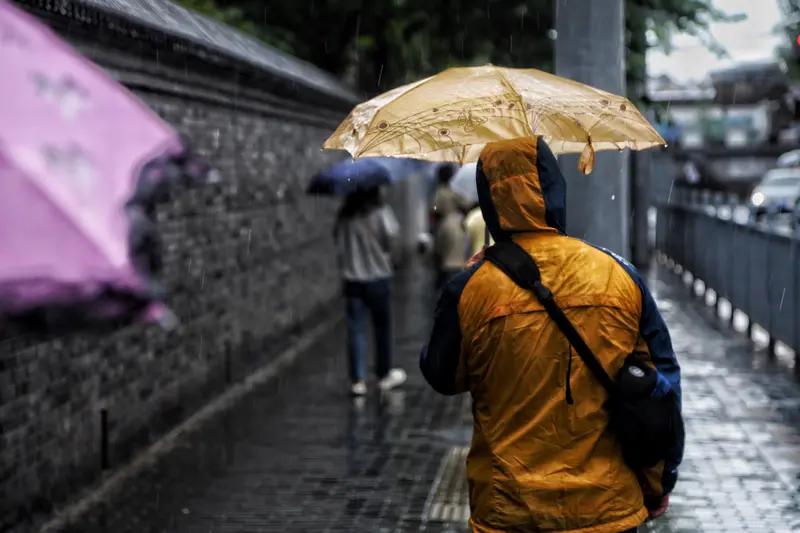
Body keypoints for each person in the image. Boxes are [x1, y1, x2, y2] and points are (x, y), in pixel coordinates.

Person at [420, 137, 683, 533]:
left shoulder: (471, 288)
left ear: (489, 199)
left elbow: (442, 375)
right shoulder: (617, 274)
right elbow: (660, 383)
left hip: (510, 510)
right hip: (606, 508)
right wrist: (660, 482)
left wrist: (466, 289)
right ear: (555, 189)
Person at [334, 187, 406, 396]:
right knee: (382, 327)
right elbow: (392, 238)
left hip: (352, 280)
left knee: (356, 329)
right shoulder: (381, 212)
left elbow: (338, 242)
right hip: (378, 277)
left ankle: (358, 380)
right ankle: (383, 375)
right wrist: (388, 256)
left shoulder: (344, 216)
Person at [431, 164, 468, 288]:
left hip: (445, 224)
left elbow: (435, 210)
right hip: (459, 223)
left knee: (443, 252)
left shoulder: (439, 192)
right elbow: (465, 204)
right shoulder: (456, 190)